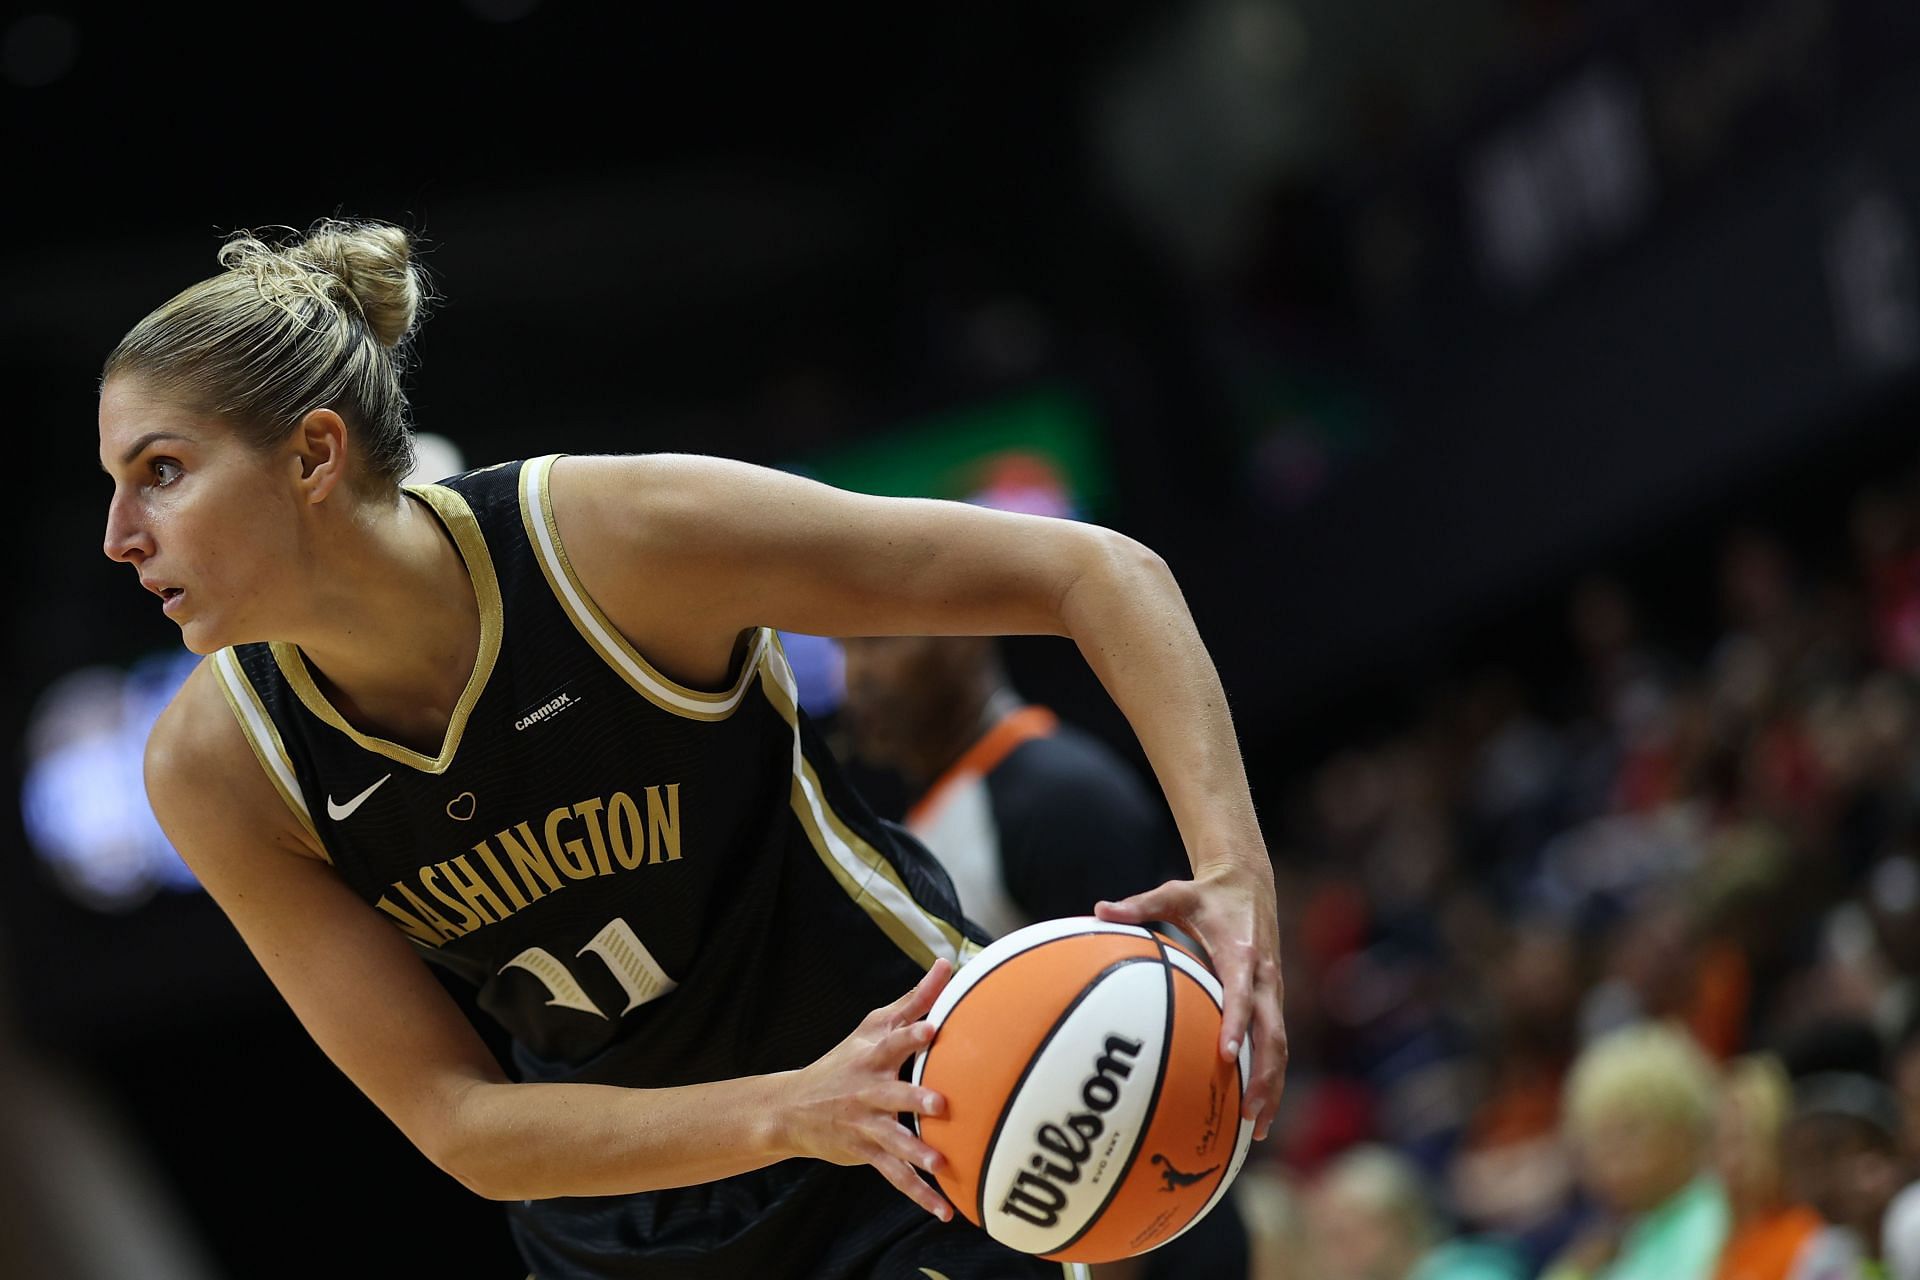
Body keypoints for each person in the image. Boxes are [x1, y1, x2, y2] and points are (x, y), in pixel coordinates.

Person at [96, 219, 1287, 1279]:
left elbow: (1101, 574)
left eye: (161, 471)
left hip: (915, 1102)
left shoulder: (614, 543)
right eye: (116, 484)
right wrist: (786, 1110)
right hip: (622, 1214)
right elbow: (458, 1122)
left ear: (312, 455)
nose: (118, 536)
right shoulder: (215, 767)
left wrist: (1234, 876)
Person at [835, 630, 1252, 1277]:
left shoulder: (1056, 795)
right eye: (845, 650)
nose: (855, 675)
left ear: (966, 634)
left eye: (878, 643)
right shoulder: (930, 821)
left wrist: (1107, 1248)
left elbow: (1164, 1053)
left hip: (1135, 1226)